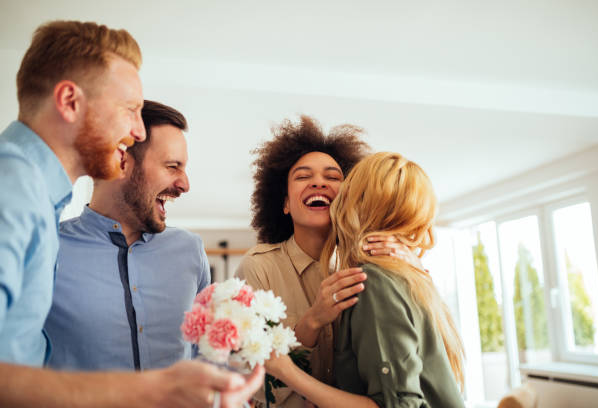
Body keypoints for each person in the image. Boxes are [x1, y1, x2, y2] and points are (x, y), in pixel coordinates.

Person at [0, 20, 262, 407]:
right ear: (70, 101)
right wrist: (151, 391)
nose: (137, 131)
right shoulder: (12, 185)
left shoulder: (32, 194)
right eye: (130, 109)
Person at [235, 116, 419, 407]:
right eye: (303, 176)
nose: (318, 182)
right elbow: (259, 386)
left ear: (348, 197)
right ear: (284, 203)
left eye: (332, 177)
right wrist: (313, 320)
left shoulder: (370, 266)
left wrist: (411, 267)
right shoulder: (259, 268)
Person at [265, 152, 466, 408]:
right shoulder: (411, 275)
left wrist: (288, 373)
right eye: (304, 176)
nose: (322, 186)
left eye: (344, 185)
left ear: (359, 202)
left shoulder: (375, 282)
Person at [45, 100, 209, 371]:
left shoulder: (190, 250)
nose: (185, 184)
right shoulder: (49, 249)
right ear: (121, 161)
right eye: (172, 166)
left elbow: (205, 355)